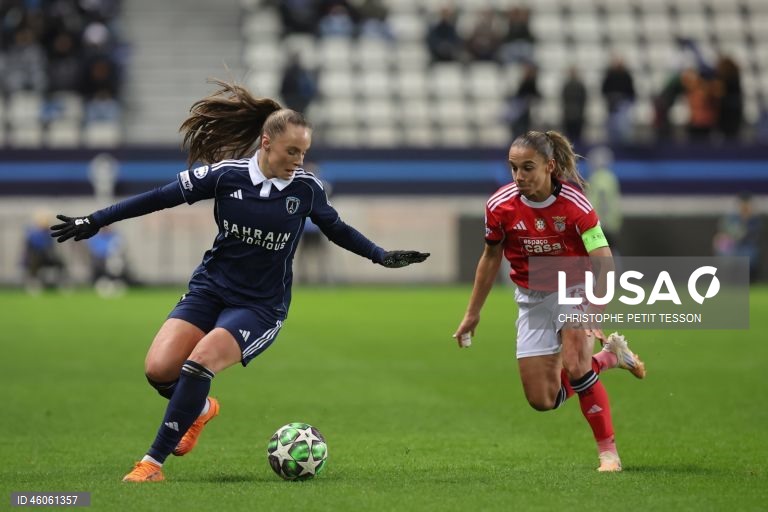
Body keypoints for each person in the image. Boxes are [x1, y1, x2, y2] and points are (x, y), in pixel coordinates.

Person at [50, 80, 430, 483]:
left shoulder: (306, 189)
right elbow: (158, 197)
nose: (299, 160)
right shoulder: (225, 176)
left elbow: (337, 228)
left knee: (200, 362)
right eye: (292, 151)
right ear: (266, 143)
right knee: (159, 370)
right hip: (210, 288)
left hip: (260, 306)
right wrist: (95, 219)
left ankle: (151, 464)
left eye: (304, 152)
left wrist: (381, 256)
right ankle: (200, 410)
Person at [453, 130, 645, 472]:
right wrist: (472, 313)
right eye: (514, 168)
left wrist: (594, 312)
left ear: (549, 166)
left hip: (574, 286)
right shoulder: (500, 206)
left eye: (528, 168)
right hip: (532, 298)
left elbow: (603, 259)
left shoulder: (576, 205)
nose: (519, 177)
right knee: (543, 400)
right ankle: (608, 359)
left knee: (574, 360)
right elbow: (490, 257)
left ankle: (608, 453)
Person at [713, 193, 762, 283]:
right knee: (725, 251)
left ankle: (750, 281)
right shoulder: (731, 218)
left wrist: (745, 220)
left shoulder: (754, 220)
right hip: (733, 247)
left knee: (750, 254)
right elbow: (725, 233)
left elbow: (749, 235)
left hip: (747, 247)